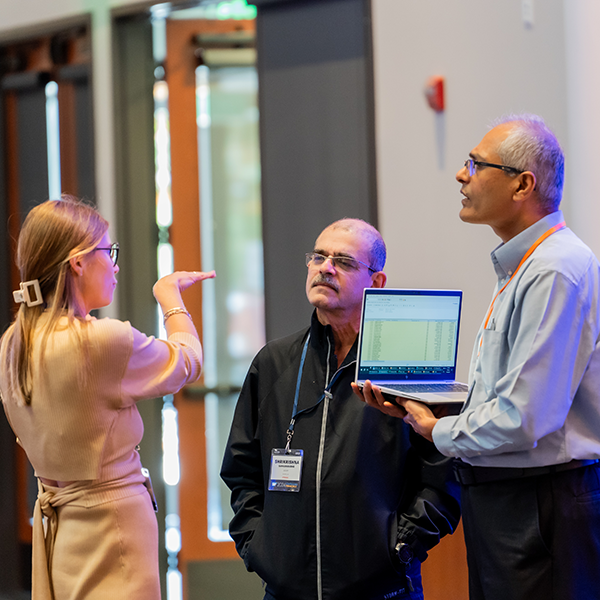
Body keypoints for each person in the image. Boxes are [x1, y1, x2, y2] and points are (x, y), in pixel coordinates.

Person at [358, 114, 600, 600]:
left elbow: (527, 417)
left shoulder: (554, 269)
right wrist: (447, 408)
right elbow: (515, 395)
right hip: (513, 498)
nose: (460, 175)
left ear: (522, 184)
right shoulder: (525, 264)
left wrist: (438, 429)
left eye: (476, 163)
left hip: (539, 503)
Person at [220, 218, 461, 600]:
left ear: (377, 283)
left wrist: (401, 548)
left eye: (344, 262)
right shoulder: (275, 362)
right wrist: (257, 546)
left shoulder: (409, 365)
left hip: (381, 589)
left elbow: (443, 474)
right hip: (285, 589)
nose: (325, 268)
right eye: (318, 257)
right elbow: (241, 468)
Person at [0, 196, 215, 600]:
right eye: (108, 251)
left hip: (60, 528)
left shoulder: (13, 342)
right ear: (78, 261)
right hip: (111, 524)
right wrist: (170, 298)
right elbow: (187, 362)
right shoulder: (98, 341)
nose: (114, 264)